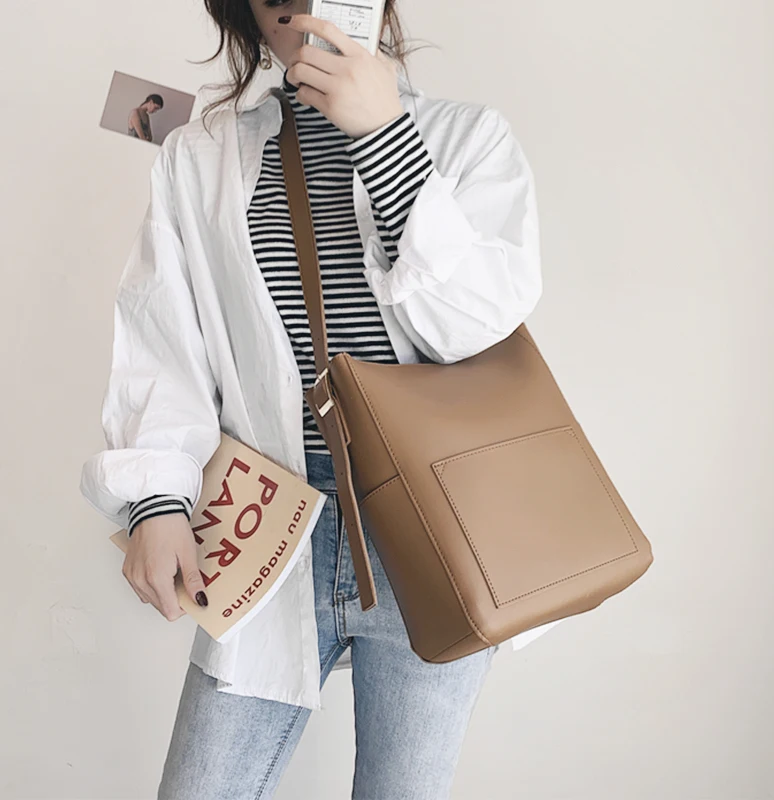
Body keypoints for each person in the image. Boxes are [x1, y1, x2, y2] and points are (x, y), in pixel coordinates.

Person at [80, 1, 547, 797]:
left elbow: (482, 328)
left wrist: (387, 139)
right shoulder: (203, 156)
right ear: (250, 20)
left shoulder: (467, 138)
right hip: (267, 519)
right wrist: (155, 499)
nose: (301, 7)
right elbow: (164, 334)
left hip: (433, 532)